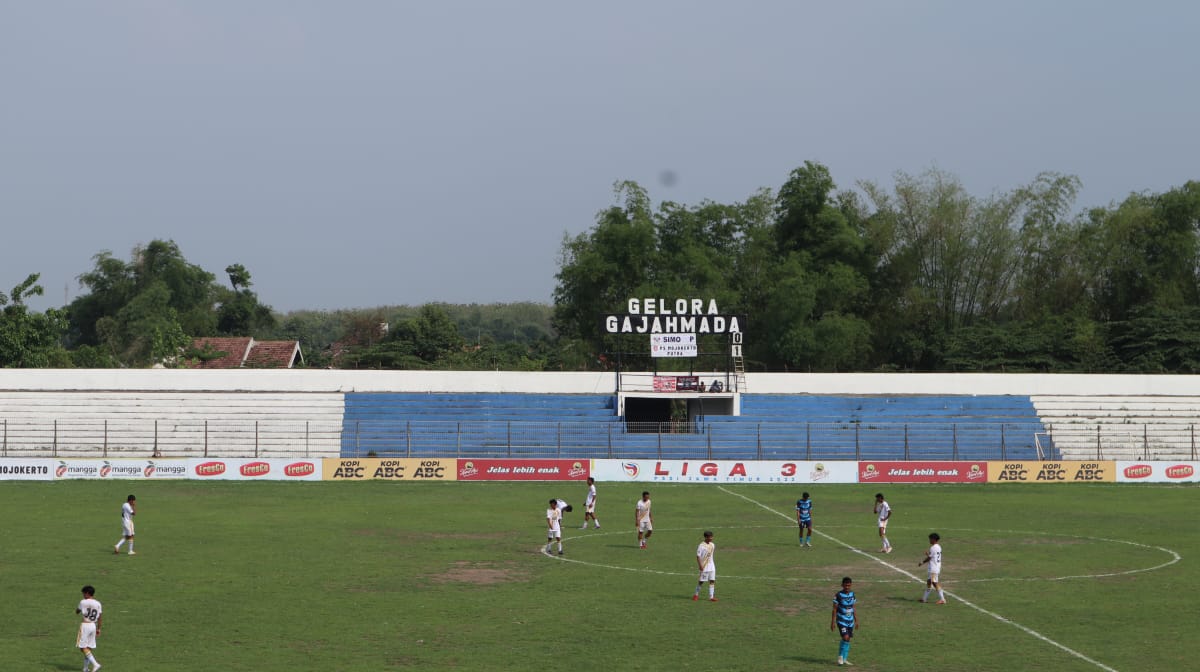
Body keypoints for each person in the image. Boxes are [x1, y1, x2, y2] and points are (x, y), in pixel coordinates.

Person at [830, 576, 858, 666]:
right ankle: (840, 657)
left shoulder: (852, 594)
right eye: (845, 585)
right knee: (845, 637)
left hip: (850, 621)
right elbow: (834, 609)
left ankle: (845, 659)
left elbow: (853, 607)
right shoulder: (838, 595)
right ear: (842, 585)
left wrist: (856, 620)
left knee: (848, 639)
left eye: (849, 585)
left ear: (851, 585)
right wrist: (833, 622)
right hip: (841, 620)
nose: (847, 587)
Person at [76, 584, 103, 672]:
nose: (83, 595)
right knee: (88, 647)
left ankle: (95, 664)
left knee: (82, 647)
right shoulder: (98, 603)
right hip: (93, 626)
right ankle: (85, 668)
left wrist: (79, 609)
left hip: (85, 625)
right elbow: (99, 617)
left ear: (87, 593)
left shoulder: (83, 602)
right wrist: (99, 629)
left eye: (84, 593)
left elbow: (77, 611)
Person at [918, 532, 946, 604]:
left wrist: (922, 562)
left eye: (930, 539)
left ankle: (942, 599)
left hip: (934, 568)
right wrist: (928, 555)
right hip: (934, 567)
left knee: (934, 582)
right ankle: (924, 599)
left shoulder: (933, 548)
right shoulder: (939, 547)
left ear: (934, 539)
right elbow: (933, 556)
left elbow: (929, 558)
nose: (929, 540)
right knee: (929, 582)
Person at [692, 530, 717, 601]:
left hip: (712, 566)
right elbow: (698, 556)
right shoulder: (701, 546)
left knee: (712, 581)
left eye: (712, 537)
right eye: (710, 537)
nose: (711, 538)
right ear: (706, 537)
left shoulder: (712, 545)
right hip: (704, 566)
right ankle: (696, 595)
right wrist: (700, 565)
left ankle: (711, 597)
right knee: (701, 581)